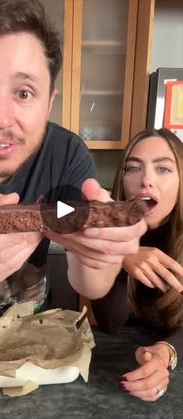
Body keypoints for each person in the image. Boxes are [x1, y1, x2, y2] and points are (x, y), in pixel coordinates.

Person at [0, 0, 146, 323]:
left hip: (31, 336)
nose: (0, 119)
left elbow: (88, 281)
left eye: (24, 93)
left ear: (49, 101)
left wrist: (98, 258)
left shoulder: (66, 155)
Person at [91, 128, 183, 402]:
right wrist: (120, 251)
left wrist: (166, 350)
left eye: (163, 169)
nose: (146, 181)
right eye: (133, 168)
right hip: (120, 362)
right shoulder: (107, 226)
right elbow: (110, 323)